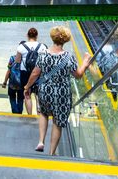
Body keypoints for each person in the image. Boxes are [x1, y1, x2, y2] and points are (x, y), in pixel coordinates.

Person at [23, 25, 91, 156]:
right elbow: (78, 75)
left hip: (44, 91)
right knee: (57, 122)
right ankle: (51, 152)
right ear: (65, 40)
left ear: (52, 37)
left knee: (43, 113)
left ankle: (41, 141)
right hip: (62, 94)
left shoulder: (43, 54)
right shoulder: (68, 57)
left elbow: (35, 73)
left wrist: (27, 87)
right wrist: (85, 62)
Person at [15, 27, 47, 114]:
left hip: (25, 73)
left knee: (27, 95)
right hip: (38, 73)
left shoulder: (21, 46)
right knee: (38, 95)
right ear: (37, 36)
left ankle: (30, 116)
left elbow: (17, 61)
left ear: (27, 36)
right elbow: (45, 61)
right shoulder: (42, 46)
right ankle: (39, 114)